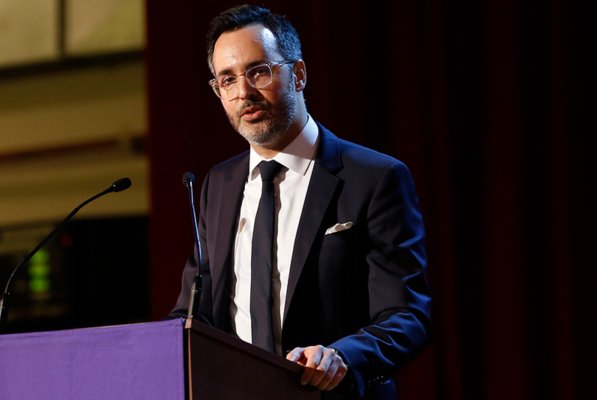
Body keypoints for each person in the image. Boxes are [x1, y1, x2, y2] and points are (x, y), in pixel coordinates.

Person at [167, 5, 431, 399]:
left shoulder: (374, 178)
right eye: (227, 80)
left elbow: (408, 317)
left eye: (259, 71)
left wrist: (341, 356)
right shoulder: (217, 185)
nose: (244, 93)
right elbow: (195, 313)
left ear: (299, 74)